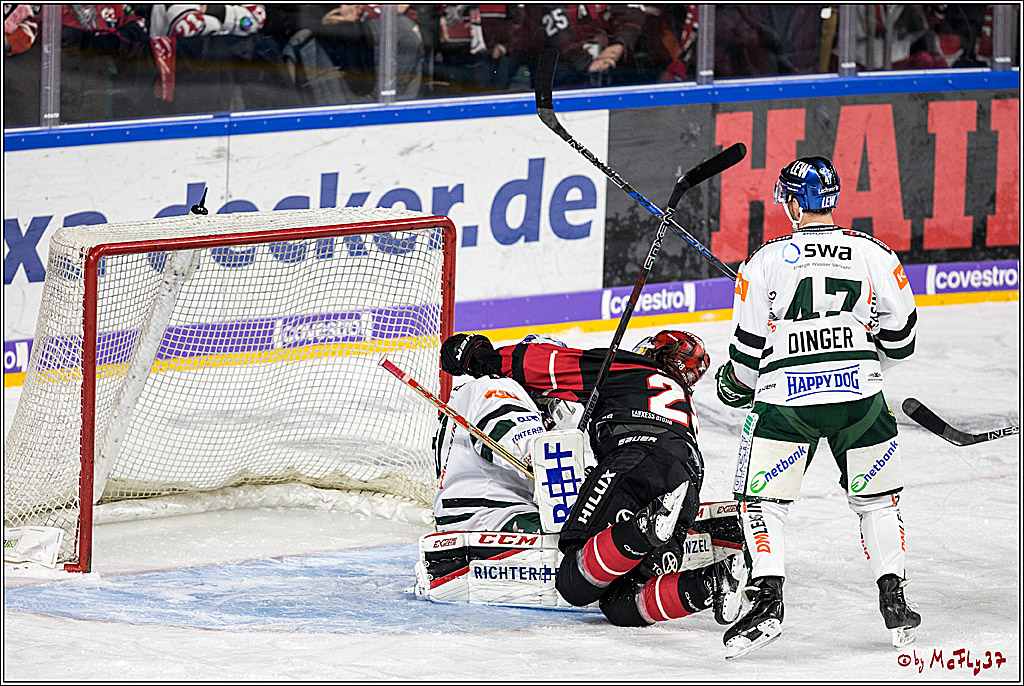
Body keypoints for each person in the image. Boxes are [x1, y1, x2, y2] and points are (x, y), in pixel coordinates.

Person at [714, 156, 921, 657]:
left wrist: (733, 386)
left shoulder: (764, 260)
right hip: (862, 402)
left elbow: (744, 357)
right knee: (878, 502)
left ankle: (767, 601)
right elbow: (904, 336)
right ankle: (894, 598)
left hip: (788, 404)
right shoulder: (873, 251)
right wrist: (864, 361)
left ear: (790, 201)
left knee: (761, 504)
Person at [440, 329, 746, 627]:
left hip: (634, 462)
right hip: (686, 485)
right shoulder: (682, 402)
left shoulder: (627, 368)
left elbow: (545, 364)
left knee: (574, 580)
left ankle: (644, 526)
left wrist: (481, 357)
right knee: (622, 604)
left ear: (652, 350)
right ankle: (711, 582)